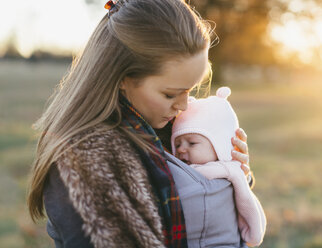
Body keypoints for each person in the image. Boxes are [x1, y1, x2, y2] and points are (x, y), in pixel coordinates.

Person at [27, 0, 252, 247]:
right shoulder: (84, 162)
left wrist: (228, 175)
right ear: (123, 78)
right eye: (170, 94)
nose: (184, 106)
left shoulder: (171, 127)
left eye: (190, 90)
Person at [170, 87, 266, 247]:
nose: (180, 149)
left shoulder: (229, 170)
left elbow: (247, 202)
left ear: (219, 146)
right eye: (177, 144)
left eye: (192, 143)